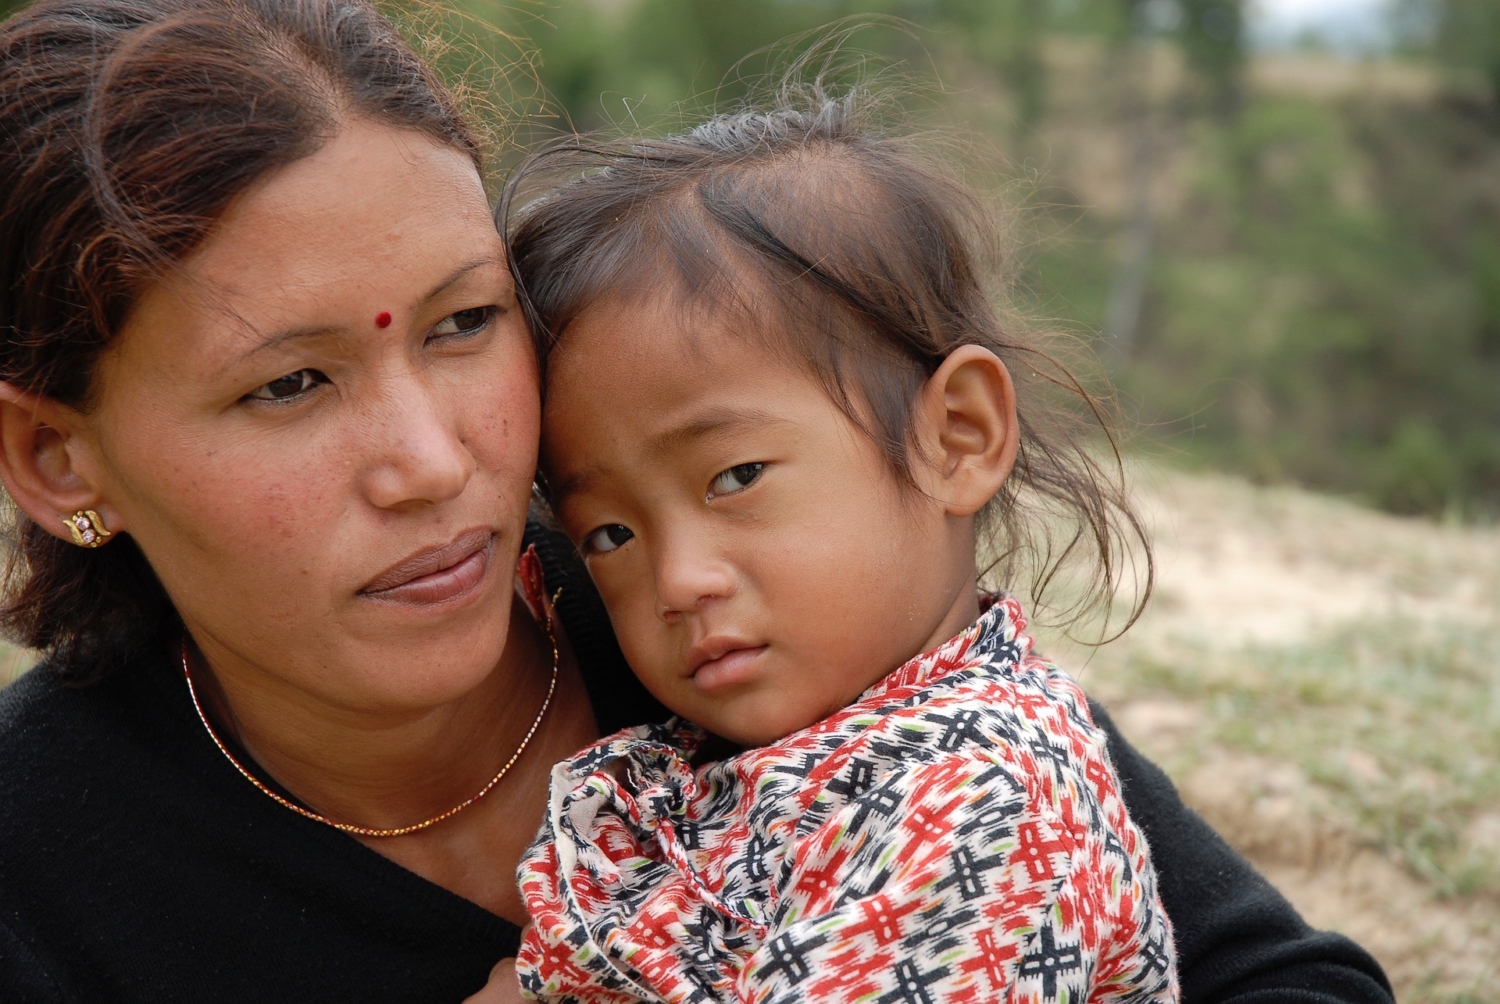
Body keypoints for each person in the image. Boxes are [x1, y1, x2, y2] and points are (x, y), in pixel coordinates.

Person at [0, 1, 1393, 1002]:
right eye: (290, 385)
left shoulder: (768, 623)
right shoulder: (43, 871)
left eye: (464, 324)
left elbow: (1286, 981)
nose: (432, 462)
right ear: (61, 457)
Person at [503, 91, 1176, 1003]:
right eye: (610, 534)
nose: (678, 581)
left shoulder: (982, 806)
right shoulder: (782, 754)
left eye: (735, 477)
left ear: (958, 437)